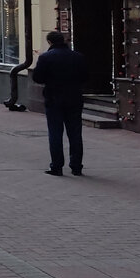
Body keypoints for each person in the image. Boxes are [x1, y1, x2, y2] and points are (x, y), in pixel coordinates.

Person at [31, 31, 87, 176]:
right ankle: (76, 167)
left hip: (53, 98)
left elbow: (37, 78)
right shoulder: (78, 57)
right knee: (75, 133)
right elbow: (85, 77)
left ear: (49, 42)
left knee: (55, 133)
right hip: (74, 98)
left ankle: (56, 166)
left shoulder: (45, 57)